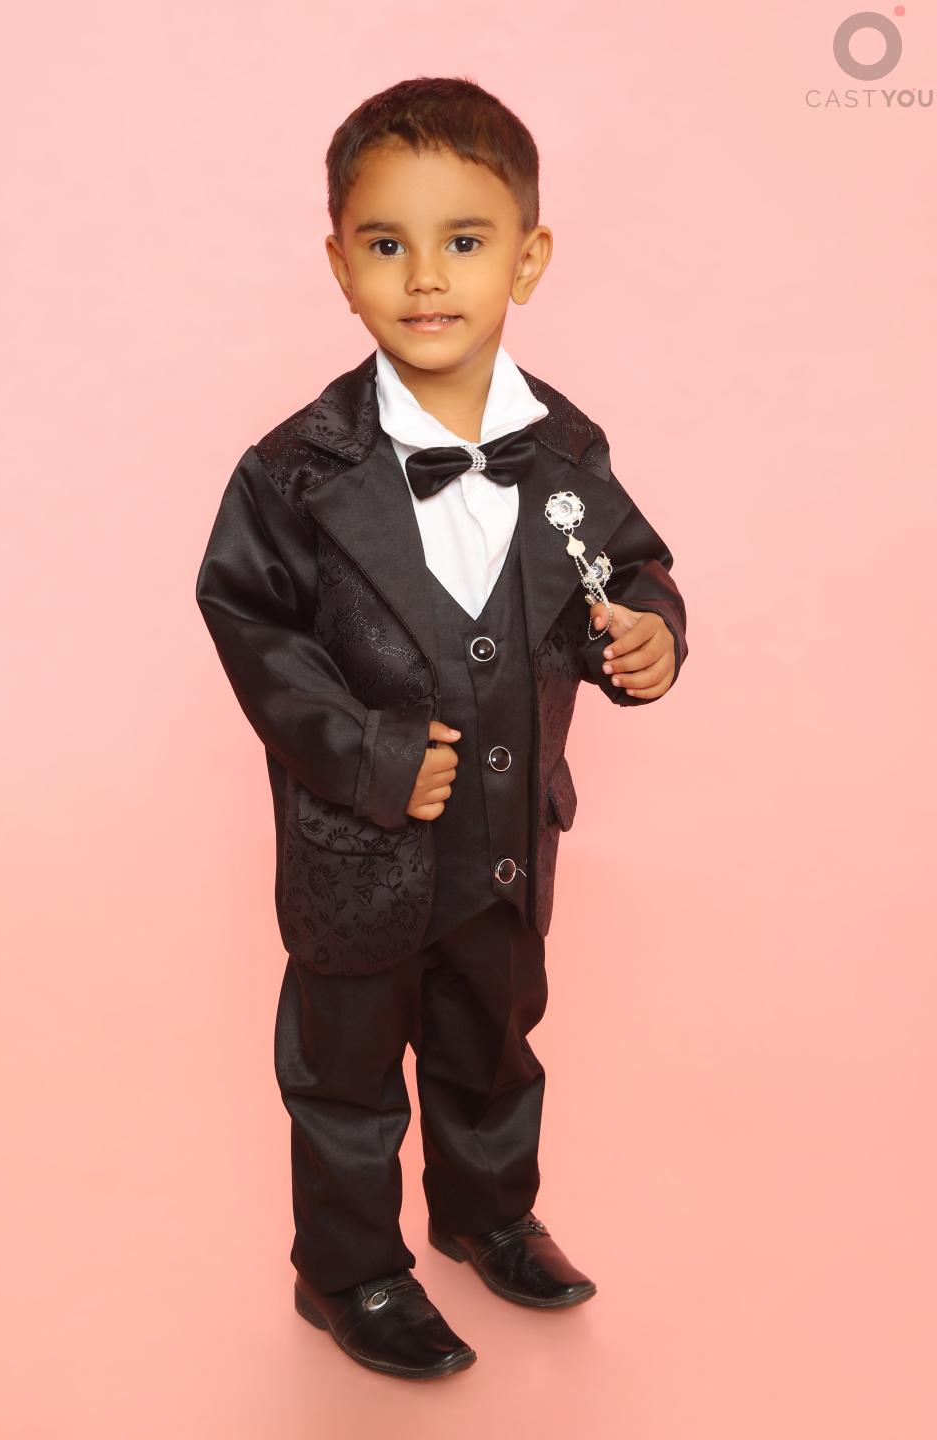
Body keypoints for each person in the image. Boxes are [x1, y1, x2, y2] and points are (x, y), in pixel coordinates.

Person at [195, 75, 688, 1382]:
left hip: (508, 840)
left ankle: (489, 1215)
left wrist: (649, 632)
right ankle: (349, 1271)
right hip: (362, 854)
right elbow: (250, 621)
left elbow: (622, 570)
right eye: (386, 243)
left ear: (526, 257)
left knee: (494, 1046)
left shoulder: (565, 446)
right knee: (347, 1074)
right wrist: (365, 756)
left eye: (464, 240)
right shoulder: (293, 471)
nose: (426, 277)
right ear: (339, 265)